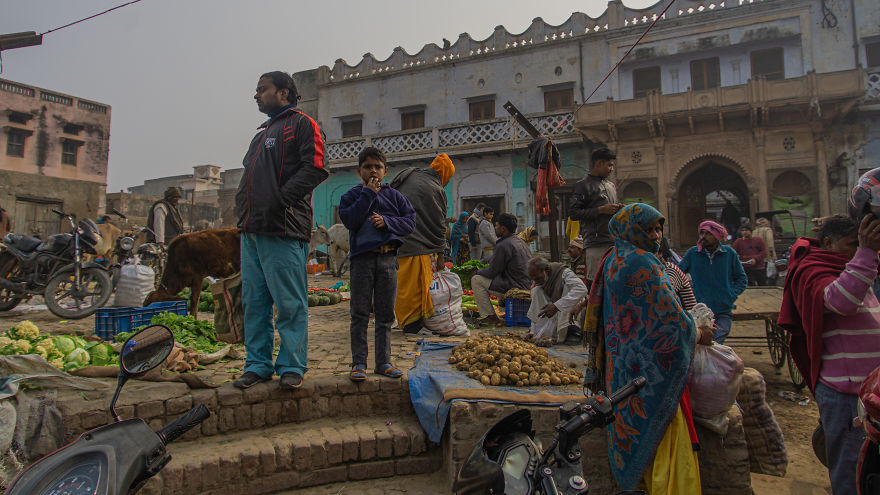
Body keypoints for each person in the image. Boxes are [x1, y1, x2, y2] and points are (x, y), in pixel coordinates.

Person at [592, 203, 701, 493]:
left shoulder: (612, 259)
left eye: (658, 229)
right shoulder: (643, 262)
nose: (656, 235)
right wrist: (699, 329)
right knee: (661, 432)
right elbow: (674, 322)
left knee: (632, 426)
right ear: (632, 230)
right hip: (651, 370)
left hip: (622, 368)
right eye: (649, 229)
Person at [233, 71, 328, 390]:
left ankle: (291, 365)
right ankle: (257, 364)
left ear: (284, 93)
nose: (257, 95)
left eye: (263, 89)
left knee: (289, 303)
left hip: (283, 228)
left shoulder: (302, 123)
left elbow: (314, 168)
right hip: (252, 231)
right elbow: (249, 177)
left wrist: (280, 201)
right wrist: (243, 215)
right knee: (254, 302)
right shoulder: (260, 134)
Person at [779, 214, 880, 495]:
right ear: (829, 243)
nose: (855, 248)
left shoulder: (853, 266)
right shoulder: (812, 267)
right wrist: (867, 251)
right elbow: (841, 302)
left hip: (870, 392)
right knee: (852, 473)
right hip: (846, 392)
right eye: (851, 243)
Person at [339, 147, 416, 382]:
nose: (372, 170)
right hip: (362, 260)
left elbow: (410, 222)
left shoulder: (395, 197)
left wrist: (387, 221)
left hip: (388, 260)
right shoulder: (351, 196)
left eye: (377, 167)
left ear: (386, 171)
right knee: (360, 313)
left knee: (384, 315)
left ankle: (383, 362)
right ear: (358, 171)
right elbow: (350, 220)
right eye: (367, 167)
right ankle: (359, 363)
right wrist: (368, 195)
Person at [391, 153, 455, 334]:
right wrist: (441, 254)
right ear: (445, 174)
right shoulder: (436, 188)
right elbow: (438, 224)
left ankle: (403, 319)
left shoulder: (409, 174)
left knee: (401, 286)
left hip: (396, 239)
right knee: (416, 288)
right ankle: (412, 324)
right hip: (418, 246)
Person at [678, 220, 747, 344]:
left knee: (716, 340)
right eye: (702, 233)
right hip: (699, 310)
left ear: (717, 236)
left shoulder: (729, 254)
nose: (703, 237)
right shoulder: (693, 253)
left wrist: (731, 294)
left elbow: (742, 278)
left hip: (722, 309)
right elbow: (677, 273)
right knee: (701, 341)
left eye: (708, 234)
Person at [569, 147, 623, 285]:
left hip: (613, 241)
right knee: (597, 283)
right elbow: (574, 213)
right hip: (595, 243)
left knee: (614, 282)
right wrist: (600, 210)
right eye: (609, 165)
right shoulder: (583, 185)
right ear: (599, 163)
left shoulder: (610, 185)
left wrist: (618, 210)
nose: (611, 169)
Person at [471, 213, 531, 326]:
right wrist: (483, 262)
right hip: (524, 283)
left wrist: (477, 271)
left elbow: (492, 271)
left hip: (514, 285)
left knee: (476, 279)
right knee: (497, 278)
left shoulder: (503, 245)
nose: (495, 228)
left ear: (503, 229)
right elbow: (495, 259)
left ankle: (489, 316)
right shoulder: (519, 242)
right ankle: (503, 311)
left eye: (497, 226)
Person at [525, 256, 586, 345]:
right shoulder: (540, 282)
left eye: (537, 278)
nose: (536, 282)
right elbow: (536, 305)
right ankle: (542, 333)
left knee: (568, 288)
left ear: (546, 270)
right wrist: (533, 331)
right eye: (533, 279)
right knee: (536, 290)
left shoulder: (564, 273)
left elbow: (582, 289)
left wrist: (557, 306)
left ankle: (572, 329)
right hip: (555, 309)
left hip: (572, 310)